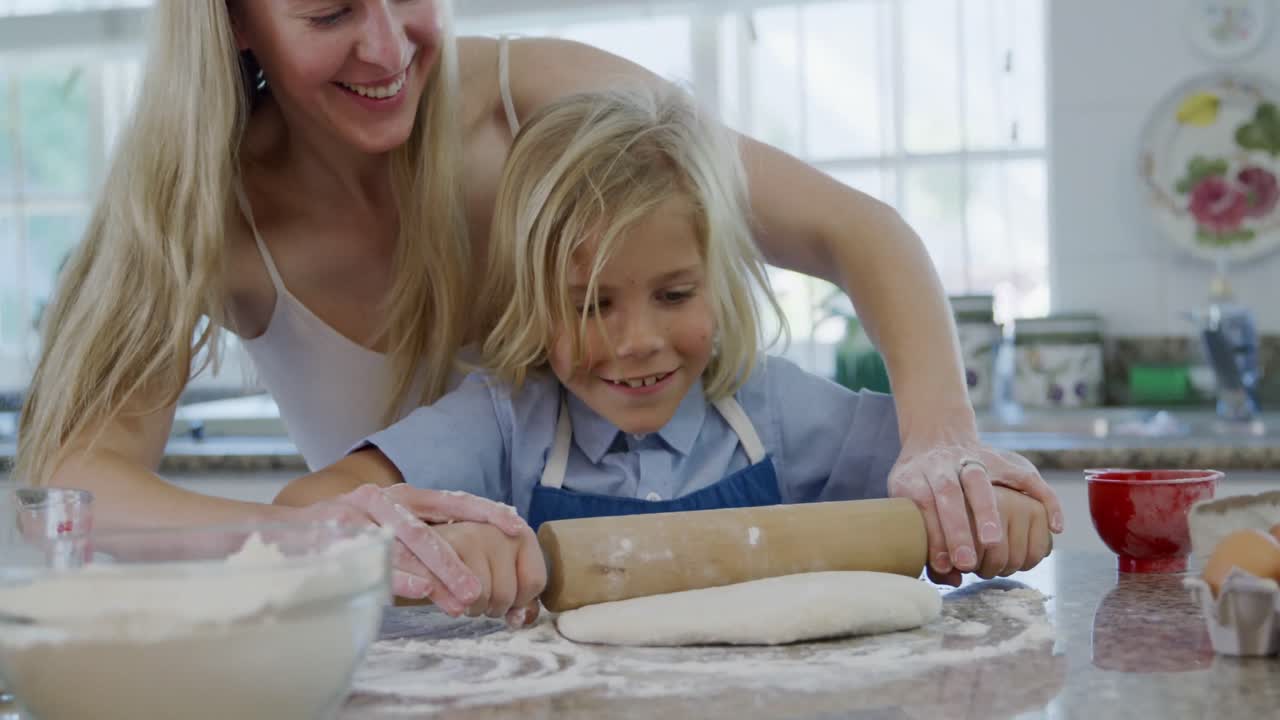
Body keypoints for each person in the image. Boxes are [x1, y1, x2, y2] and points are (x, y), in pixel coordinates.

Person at [15, 0, 1060, 599]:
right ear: (234, 25)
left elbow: (856, 230)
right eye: (330, 10)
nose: (386, 49)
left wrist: (939, 444)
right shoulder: (199, 206)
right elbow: (78, 482)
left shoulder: (543, 102)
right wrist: (334, 533)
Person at [277, 86, 1055, 622]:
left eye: (675, 295)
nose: (638, 339)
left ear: (720, 283)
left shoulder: (774, 412)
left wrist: (995, 516)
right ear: (533, 303)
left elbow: (957, 484)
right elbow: (302, 513)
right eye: (591, 304)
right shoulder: (503, 426)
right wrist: (439, 547)